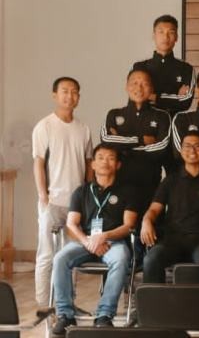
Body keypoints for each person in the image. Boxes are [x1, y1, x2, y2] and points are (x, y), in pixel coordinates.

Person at [50, 144, 136, 334]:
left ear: (118, 165)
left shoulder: (128, 191)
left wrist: (105, 236)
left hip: (114, 242)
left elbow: (128, 225)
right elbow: (72, 224)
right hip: (85, 242)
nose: (105, 161)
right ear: (93, 165)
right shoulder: (81, 191)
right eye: (100, 157)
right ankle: (65, 314)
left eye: (111, 158)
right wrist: (89, 241)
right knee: (60, 258)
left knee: (121, 259)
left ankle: (104, 315)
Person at [32, 76, 93, 306]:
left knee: (70, 256)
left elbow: (89, 164)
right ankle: (43, 305)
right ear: (55, 95)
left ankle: (65, 304)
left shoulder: (83, 129)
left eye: (75, 92)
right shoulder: (44, 126)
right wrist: (43, 197)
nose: (70, 96)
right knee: (46, 254)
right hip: (52, 201)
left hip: (76, 204)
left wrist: (86, 196)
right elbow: (38, 162)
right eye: (65, 91)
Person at [140, 132, 199, 283]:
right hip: (173, 240)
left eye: (197, 146)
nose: (192, 150)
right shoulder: (170, 180)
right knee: (152, 258)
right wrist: (146, 221)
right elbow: (154, 209)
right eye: (187, 146)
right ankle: (153, 305)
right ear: (181, 151)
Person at [100, 68, 171, 230]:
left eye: (144, 84)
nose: (139, 88)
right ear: (126, 86)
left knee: (149, 229)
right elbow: (106, 141)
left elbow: (161, 148)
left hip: (150, 182)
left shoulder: (161, 116)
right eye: (135, 83)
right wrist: (141, 140)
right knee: (119, 228)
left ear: (151, 89)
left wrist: (124, 145)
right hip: (119, 183)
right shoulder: (114, 114)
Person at [132, 14, 194, 115]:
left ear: (176, 37)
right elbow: (135, 98)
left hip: (174, 124)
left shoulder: (186, 69)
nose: (165, 37)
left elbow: (185, 102)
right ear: (153, 35)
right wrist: (174, 98)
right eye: (161, 32)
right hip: (145, 124)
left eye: (171, 32)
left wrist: (153, 97)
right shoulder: (140, 67)